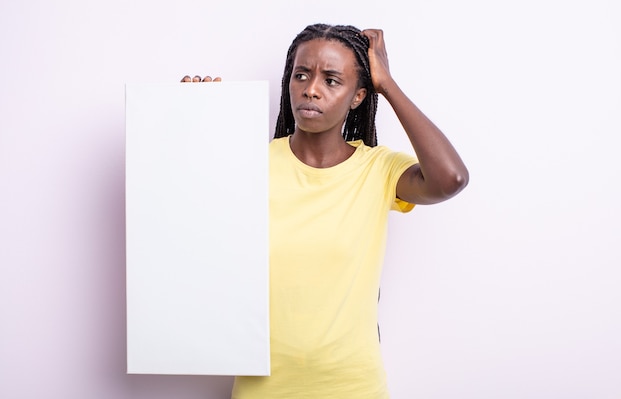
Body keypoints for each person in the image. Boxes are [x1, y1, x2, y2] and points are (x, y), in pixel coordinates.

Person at [183, 23, 468, 399]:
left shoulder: (377, 169)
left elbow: (450, 178)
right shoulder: (248, 166)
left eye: (332, 80)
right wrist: (187, 122)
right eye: (301, 74)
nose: (311, 88)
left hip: (353, 386)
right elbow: (186, 227)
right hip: (263, 387)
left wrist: (388, 84)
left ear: (358, 95)